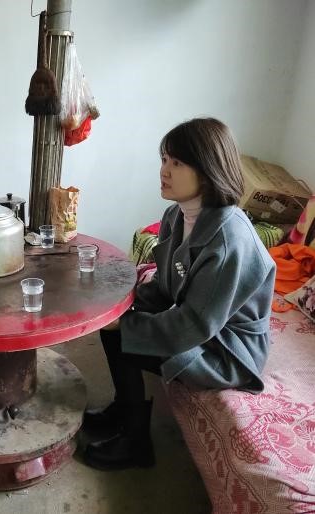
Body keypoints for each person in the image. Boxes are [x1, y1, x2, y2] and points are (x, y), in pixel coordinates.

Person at [82, 117, 276, 471]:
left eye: (177, 163)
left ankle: (136, 443)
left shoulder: (228, 240)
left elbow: (195, 324)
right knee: (117, 327)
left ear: (208, 170)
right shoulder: (175, 216)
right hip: (204, 327)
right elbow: (167, 285)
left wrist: (126, 326)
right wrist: (122, 305)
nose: (164, 171)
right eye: (164, 160)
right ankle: (125, 411)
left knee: (125, 337)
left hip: (227, 349)